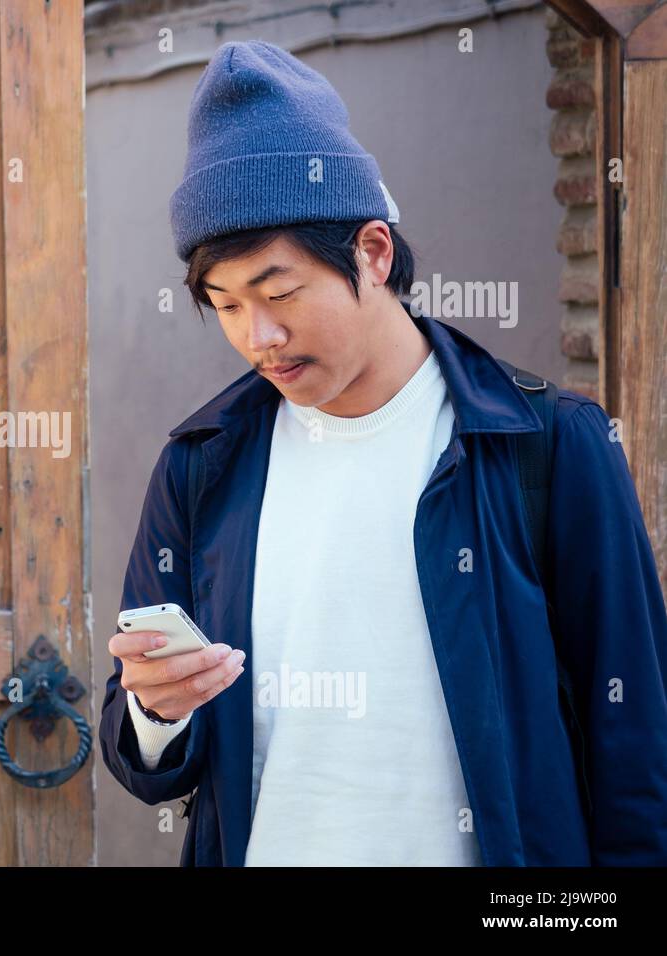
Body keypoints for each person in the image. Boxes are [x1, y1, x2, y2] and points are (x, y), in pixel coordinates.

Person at [99, 39, 667, 866]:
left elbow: (637, 755)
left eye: (280, 292)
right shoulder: (199, 467)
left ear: (372, 252)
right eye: (224, 305)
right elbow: (143, 761)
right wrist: (156, 712)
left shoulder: (547, 446)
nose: (258, 337)